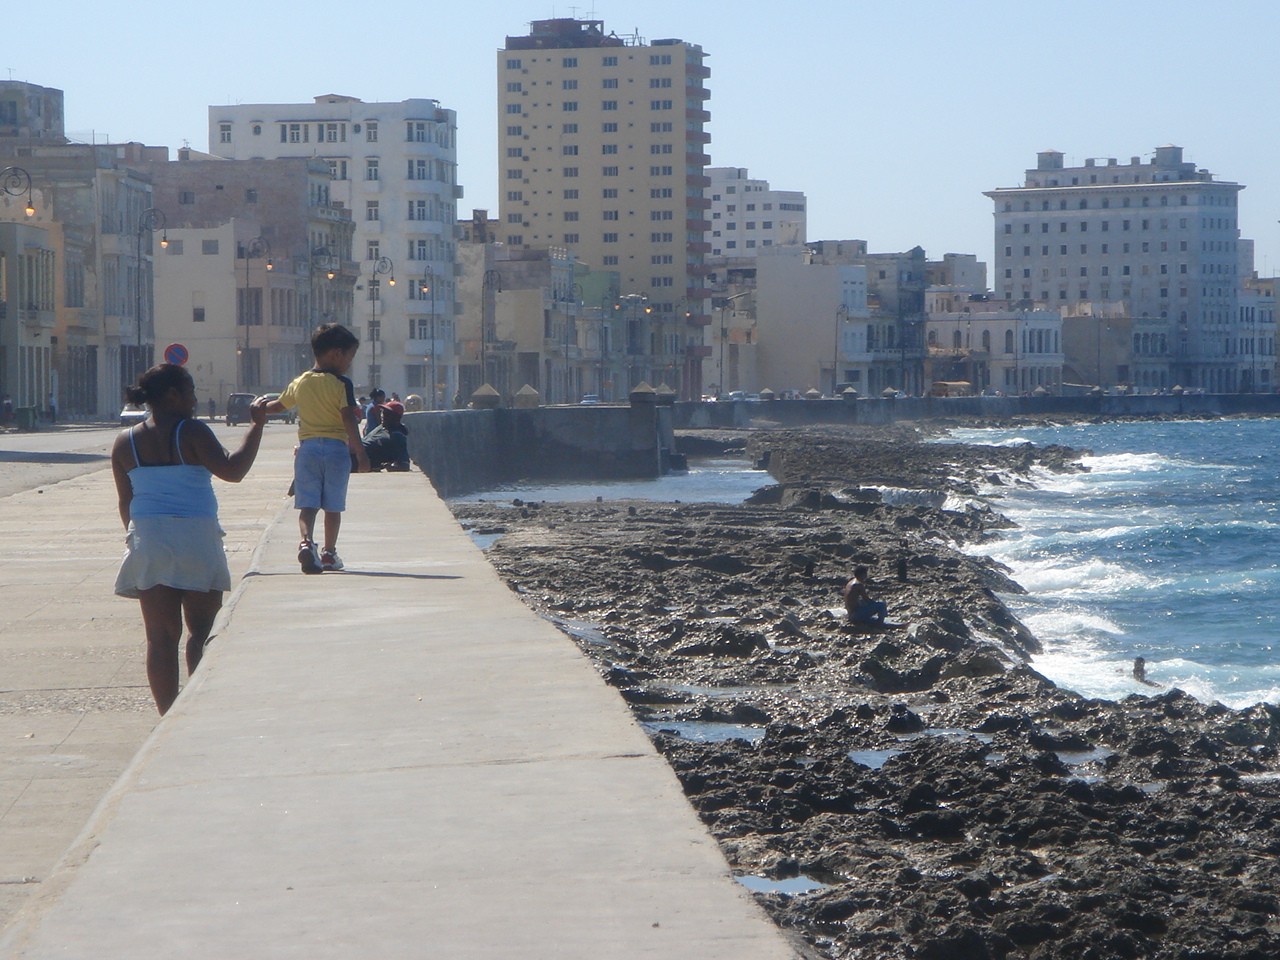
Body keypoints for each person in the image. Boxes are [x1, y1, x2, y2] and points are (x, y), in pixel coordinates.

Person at [112, 363, 267, 714]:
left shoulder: (126, 441)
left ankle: (167, 715)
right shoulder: (191, 432)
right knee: (201, 632)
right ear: (172, 395)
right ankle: (196, 712)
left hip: (149, 538)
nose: (195, 399)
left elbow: (126, 502)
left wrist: (137, 539)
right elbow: (233, 470)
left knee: (160, 639)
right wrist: (257, 426)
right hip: (195, 537)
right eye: (191, 391)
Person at [263, 323, 370, 574]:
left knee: (307, 503)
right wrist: (361, 451)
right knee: (333, 505)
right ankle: (330, 554)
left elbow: (278, 406)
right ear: (336, 354)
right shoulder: (341, 384)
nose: (349, 363)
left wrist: (259, 408)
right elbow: (348, 418)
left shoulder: (300, 381)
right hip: (335, 450)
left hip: (307, 450)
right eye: (350, 357)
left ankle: (306, 542)